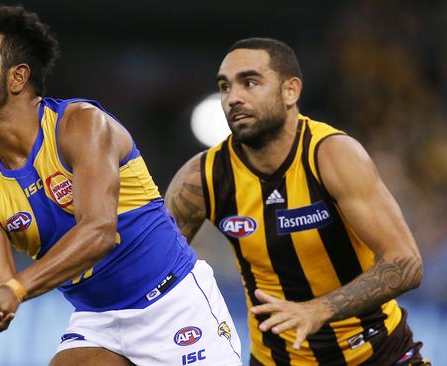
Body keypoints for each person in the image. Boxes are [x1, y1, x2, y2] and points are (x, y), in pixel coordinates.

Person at [0, 5, 242, 365]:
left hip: (174, 304)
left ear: (17, 78)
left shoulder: (82, 126)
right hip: (99, 323)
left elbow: (100, 232)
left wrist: (15, 289)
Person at [165, 38, 429, 365]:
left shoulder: (333, 155)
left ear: (291, 91)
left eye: (249, 83)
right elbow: (156, 272)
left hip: (378, 355)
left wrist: (320, 309)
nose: (233, 98)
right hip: (277, 360)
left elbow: (406, 263)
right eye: (225, 87)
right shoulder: (201, 177)